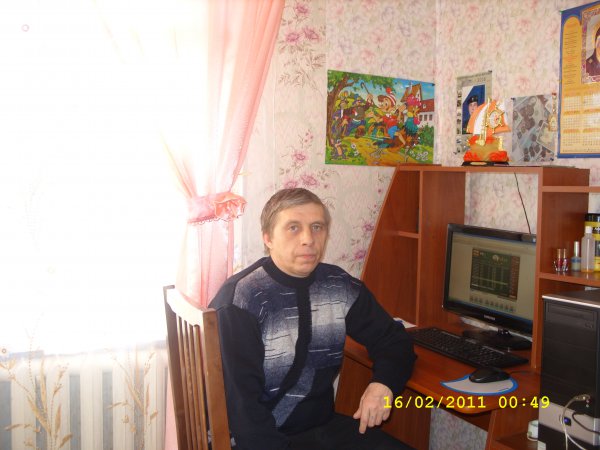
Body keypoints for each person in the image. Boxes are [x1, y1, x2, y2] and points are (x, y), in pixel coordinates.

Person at [209, 188, 416, 450]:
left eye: (317, 227)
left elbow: (393, 339)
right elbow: (241, 406)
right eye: (293, 228)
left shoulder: (337, 286)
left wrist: (383, 384)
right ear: (268, 238)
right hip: (256, 437)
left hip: (320, 429)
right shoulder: (242, 299)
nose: (308, 239)